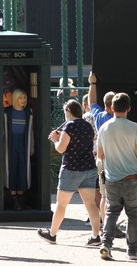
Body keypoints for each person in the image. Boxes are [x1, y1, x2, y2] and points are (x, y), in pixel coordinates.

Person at [37, 99, 101, 246]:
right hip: (89, 168)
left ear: (68, 112)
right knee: (90, 204)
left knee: (61, 204)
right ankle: (95, 236)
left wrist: (54, 139)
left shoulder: (69, 126)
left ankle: (52, 234)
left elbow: (61, 148)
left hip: (71, 169)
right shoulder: (88, 126)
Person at [96, 92, 137, 260]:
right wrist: (134, 166)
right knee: (133, 215)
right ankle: (132, 251)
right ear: (129, 109)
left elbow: (100, 155)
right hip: (131, 177)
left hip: (111, 178)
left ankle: (106, 244)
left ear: (111, 108)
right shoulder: (135, 128)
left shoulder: (104, 128)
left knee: (112, 212)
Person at [87, 72, 116, 227]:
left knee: (104, 195)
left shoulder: (99, 115)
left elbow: (91, 101)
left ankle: (106, 224)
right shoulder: (116, 119)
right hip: (116, 160)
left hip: (102, 159)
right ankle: (113, 223)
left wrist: (92, 84)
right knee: (115, 196)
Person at [4, 89, 34, 210]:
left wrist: (31, 146)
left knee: (23, 169)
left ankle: (21, 198)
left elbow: (31, 131)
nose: (23, 100)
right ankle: (13, 198)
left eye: (24, 98)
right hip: (10, 144)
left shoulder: (28, 112)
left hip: (24, 143)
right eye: (20, 98)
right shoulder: (7, 112)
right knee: (11, 168)